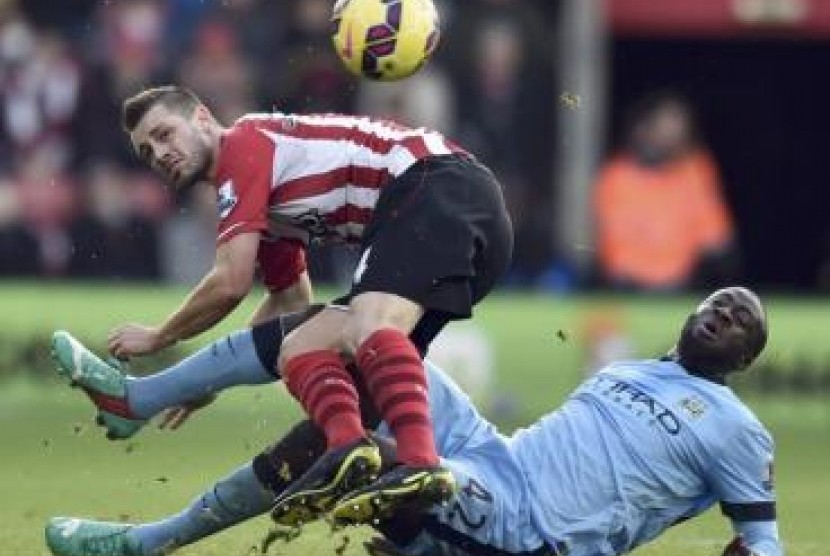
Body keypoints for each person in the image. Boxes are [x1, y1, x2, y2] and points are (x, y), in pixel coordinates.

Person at [46, 287, 782, 556]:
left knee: (352, 452)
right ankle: (136, 400)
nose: (724, 313)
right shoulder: (631, 370)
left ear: (746, 358)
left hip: (526, 525)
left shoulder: (737, 430)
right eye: (718, 303)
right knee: (362, 329)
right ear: (690, 316)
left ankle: (151, 543)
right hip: (495, 454)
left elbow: (764, 542)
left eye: (741, 319)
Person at [93, 84, 513, 523]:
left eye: (164, 134)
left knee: (366, 325)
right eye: (146, 152)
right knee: (300, 346)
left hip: (435, 182)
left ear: (201, 118)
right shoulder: (268, 207)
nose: (159, 153)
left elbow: (230, 282)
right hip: (466, 226)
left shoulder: (243, 144)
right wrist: (208, 384)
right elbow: (290, 300)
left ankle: (420, 463)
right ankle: (349, 448)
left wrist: (159, 337)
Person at [593, 91, 737, 291]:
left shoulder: (694, 172)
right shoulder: (618, 176)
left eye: (678, 128)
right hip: (628, 286)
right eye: (665, 126)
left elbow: (716, 238)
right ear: (643, 129)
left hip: (683, 286)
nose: (671, 135)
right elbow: (616, 248)